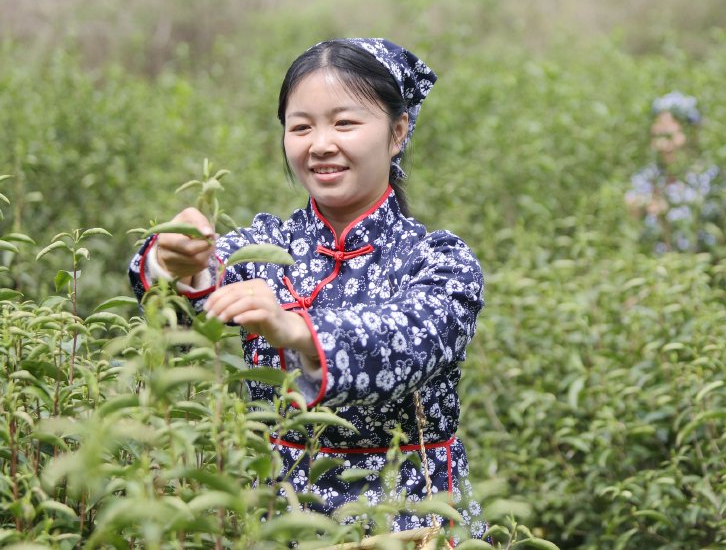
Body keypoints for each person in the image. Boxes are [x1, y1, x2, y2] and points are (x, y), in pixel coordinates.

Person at [129, 38, 486, 539]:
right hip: (280, 520)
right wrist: (175, 258)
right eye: (301, 127)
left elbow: (404, 344)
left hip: (410, 525)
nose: (320, 144)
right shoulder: (267, 246)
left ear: (398, 132)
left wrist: (297, 329)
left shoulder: (440, 262)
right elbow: (176, 288)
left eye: (345, 123)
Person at [625, 91, 726, 254]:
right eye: (656, 136)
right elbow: (631, 203)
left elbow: (713, 218)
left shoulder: (710, 176)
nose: (661, 144)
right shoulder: (651, 174)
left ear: (691, 134)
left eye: (669, 136)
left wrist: (670, 208)